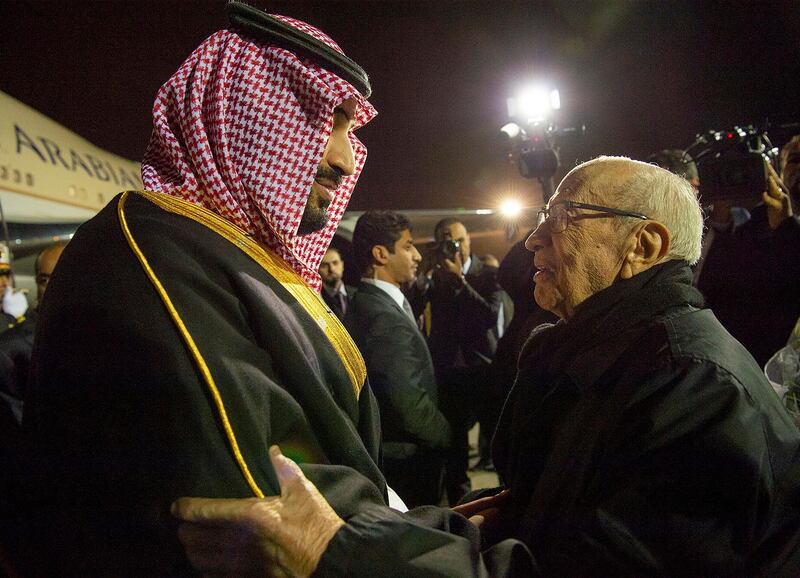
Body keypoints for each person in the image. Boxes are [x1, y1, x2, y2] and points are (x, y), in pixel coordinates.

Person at [174, 156, 800, 577]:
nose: (533, 241)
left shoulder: (696, 387)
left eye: (562, 222)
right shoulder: (616, 355)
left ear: (644, 246)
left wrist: (338, 551)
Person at [18, 6, 393, 575]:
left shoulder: (222, 254)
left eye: (348, 130)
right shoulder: (149, 262)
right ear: (241, 114)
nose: (344, 159)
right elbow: (273, 506)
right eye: (323, 122)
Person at [345, 210, 451, 507]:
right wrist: (445, 435)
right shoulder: (382, 317)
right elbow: (407, 405)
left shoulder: (371, 303)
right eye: (407, 246)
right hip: (409, 465)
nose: (417, 256)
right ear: (380, 254)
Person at [413, 217, 509, 503]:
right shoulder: (435, 278)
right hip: (449, 376)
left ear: (469, 241)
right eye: (446, 240)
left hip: (484, 372)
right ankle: (463, 511)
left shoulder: (488, 274)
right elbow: (414, 308)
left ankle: (507, 500)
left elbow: (489, 316)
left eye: (458, 240)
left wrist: (460, 282)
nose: (453, 246)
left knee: (498, 445)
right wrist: (424, 278)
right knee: (456, 454)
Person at [694, 137, 800, 365]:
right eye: (794, 160)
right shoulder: (752, 229)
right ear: (779, 171)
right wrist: (720, 225)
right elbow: (709, 293)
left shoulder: (784, 228)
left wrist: (787, 228)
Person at [319, 246, 354, 320]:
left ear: (342, 265)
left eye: (335, 263)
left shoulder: (356, 294)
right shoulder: (317, 299)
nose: (331, 269)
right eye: (324, 265)